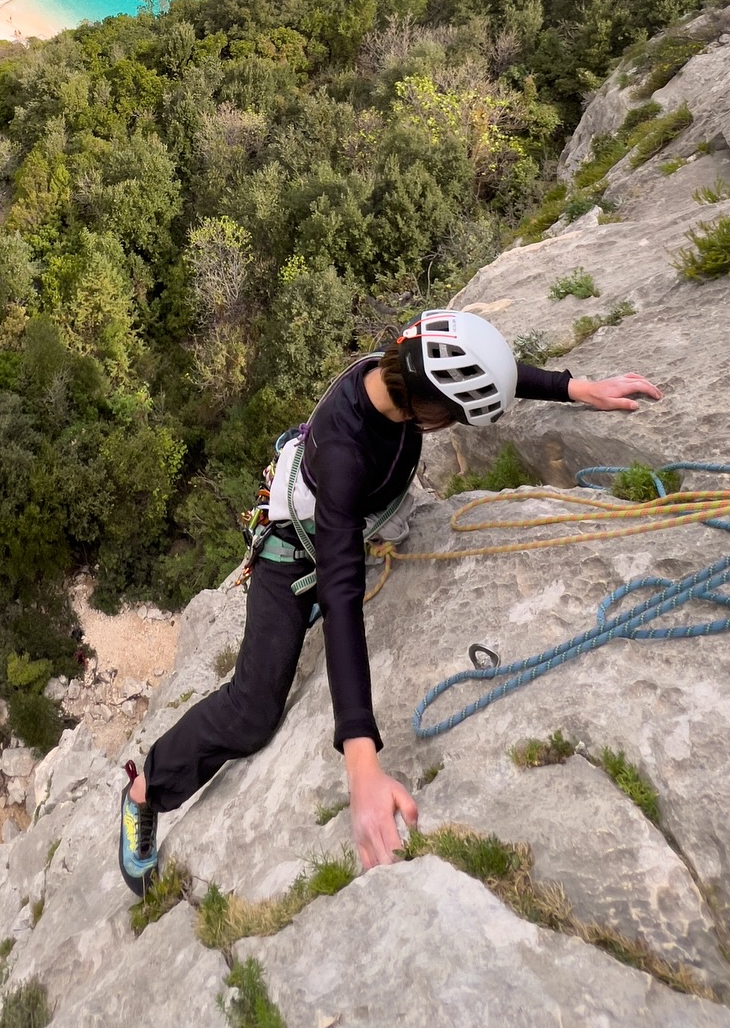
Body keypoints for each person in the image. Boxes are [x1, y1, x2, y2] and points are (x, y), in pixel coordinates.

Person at [118, 309, 661, 891]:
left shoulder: (402, 367)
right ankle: (144, 790)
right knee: (251, 712)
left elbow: (473, 367)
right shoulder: (346, 452)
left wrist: (576, 388)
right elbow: (342, 592)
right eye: (453, 418)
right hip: (295, 552)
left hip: (346, 523)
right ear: (428, 409)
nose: (451, 426)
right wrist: (362, 765)